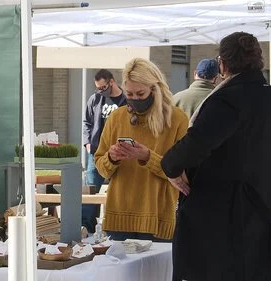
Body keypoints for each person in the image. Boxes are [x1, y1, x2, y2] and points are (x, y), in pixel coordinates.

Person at [161, 32, 271, 281]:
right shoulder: (266, 94)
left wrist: (170, 165)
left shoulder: (228, 99)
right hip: (261, 208)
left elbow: (196, 143)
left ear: (223, 63)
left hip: (226, 217)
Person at [94, 58, 188, 241]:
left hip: (157, 219)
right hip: (119, 217)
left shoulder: (177, 120)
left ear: (155, 89)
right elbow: (101, 168)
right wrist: (111, 157)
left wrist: (147, 157)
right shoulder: (116, 118)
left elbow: (183, 173)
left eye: (140, 93)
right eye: (129, 93)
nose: (134, 99)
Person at [82, 69, 126, 233]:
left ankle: (116, 225)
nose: (100, 90)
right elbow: (87, 122)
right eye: (98, 88)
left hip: (119, 154)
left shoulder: (125, 100)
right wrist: (87, 143)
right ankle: (86, 225)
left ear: (112, 82)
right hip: (97, 153)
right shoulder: (95, 99)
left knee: (119, 189)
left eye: (103, 87)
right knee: (91, 189)